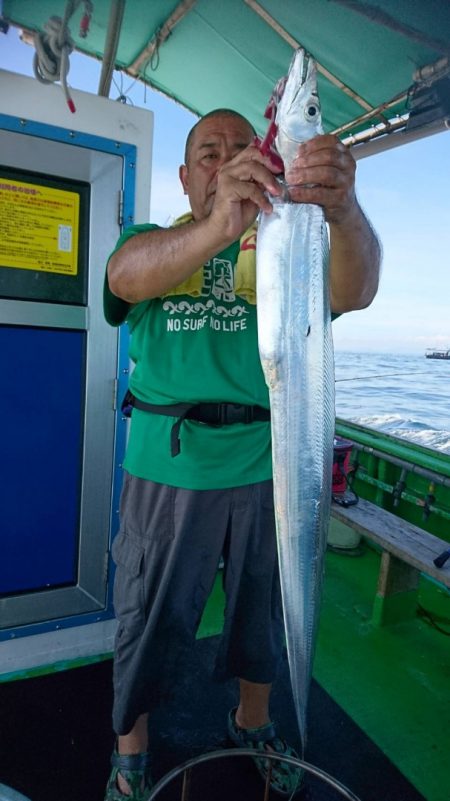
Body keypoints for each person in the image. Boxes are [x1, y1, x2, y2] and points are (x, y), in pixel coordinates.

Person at [103, 108, 381, 800]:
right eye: (209, 153)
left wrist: (343, 212)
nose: (227, 161)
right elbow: (122, 278)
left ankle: (251, 722)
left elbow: (358, 289)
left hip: (268, 464)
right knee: (146, 615)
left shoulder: (282, 244)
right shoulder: (156, 238)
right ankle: (131, 754)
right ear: (186, 175)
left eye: (238, 148)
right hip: (173, 466)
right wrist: (217, 227)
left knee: (262, 613)